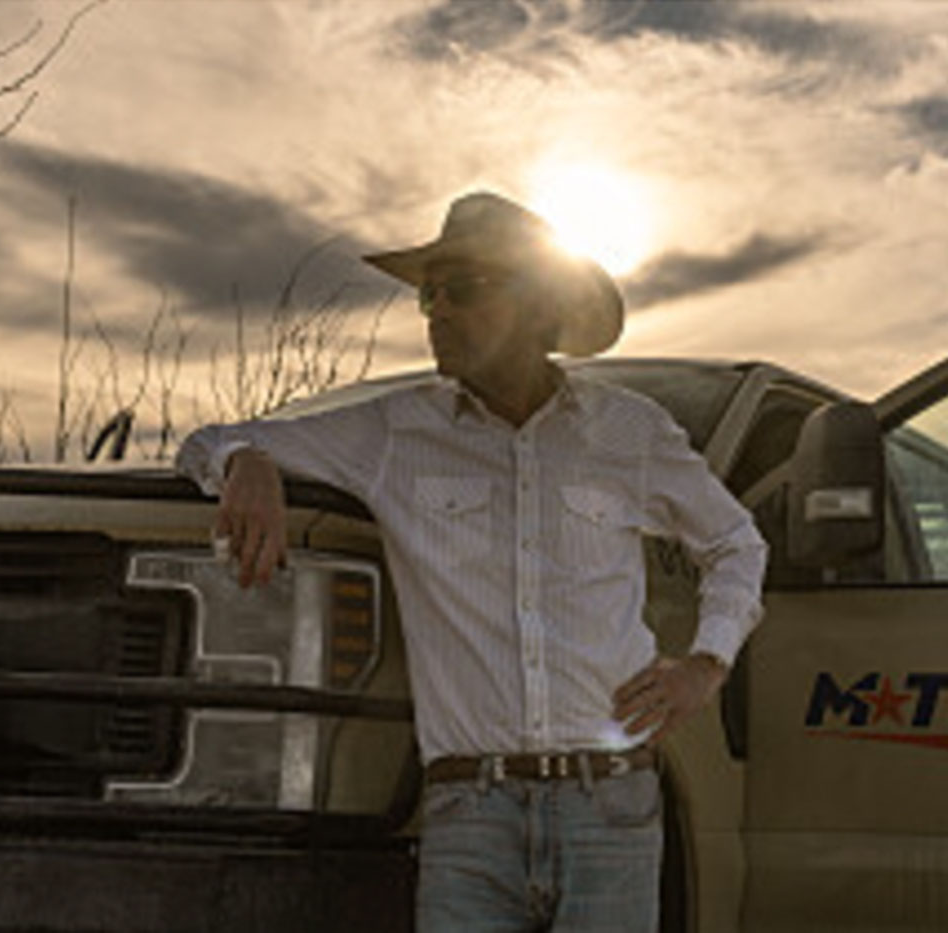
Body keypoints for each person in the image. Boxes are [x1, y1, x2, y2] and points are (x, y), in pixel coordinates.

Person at [175, 191, 767, 932]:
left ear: (537, 303)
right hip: (468, 815)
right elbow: (208, 438)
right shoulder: (395, 431)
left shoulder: (629, 431)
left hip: (613, 805)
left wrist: (706, 663)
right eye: (429, 292)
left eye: (463, 289)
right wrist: (248, 460)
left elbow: (737, 542)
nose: (436, 311)